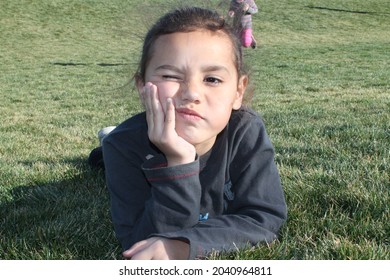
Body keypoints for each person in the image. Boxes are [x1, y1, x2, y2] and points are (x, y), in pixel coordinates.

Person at [100, 6, 287, 260]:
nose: (191, 93)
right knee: (103, 155)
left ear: (238, 92)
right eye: (170, 75)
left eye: (212, 79)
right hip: (119, 143)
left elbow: (263, 219)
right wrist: (178, 164)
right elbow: (139, 242)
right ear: (142, 87)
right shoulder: (122, 146)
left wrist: (184, 244)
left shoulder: (246, 131)